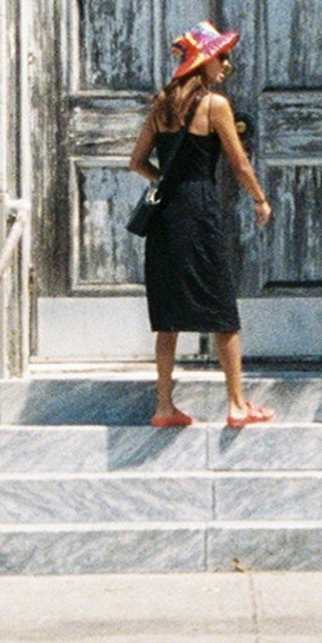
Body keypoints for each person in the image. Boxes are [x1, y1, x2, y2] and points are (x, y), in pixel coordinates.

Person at [130, 24, 274, 430]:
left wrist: (164, 181)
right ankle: (236, 404)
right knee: (222, 309)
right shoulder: (215, 105)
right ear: (202, 61)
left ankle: (163, 406)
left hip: (164, 218)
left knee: (168, 314)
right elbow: (239, 162)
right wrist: (260, 199)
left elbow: (136, 161)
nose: (226, 65)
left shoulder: (161, 104)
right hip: (199, 211)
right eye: (220, 57)